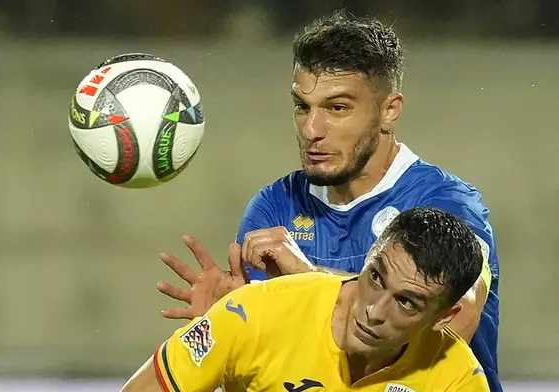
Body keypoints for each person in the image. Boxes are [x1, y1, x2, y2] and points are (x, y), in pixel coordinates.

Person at [155, 9, 501, 391]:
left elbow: (456, 324)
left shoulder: (445, 205)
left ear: (389, 110)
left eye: (337, 108)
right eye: (303, 106)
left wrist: (307, 282)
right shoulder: (275, 206)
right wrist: (228, 329)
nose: (311, 130)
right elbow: (277, 361)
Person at [122, 207, 490, 392]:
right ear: (367, 260)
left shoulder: (456, 379)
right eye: (375, 277)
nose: (375, 311)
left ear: (445, 315)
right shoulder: (255, 313)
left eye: (407, 302)